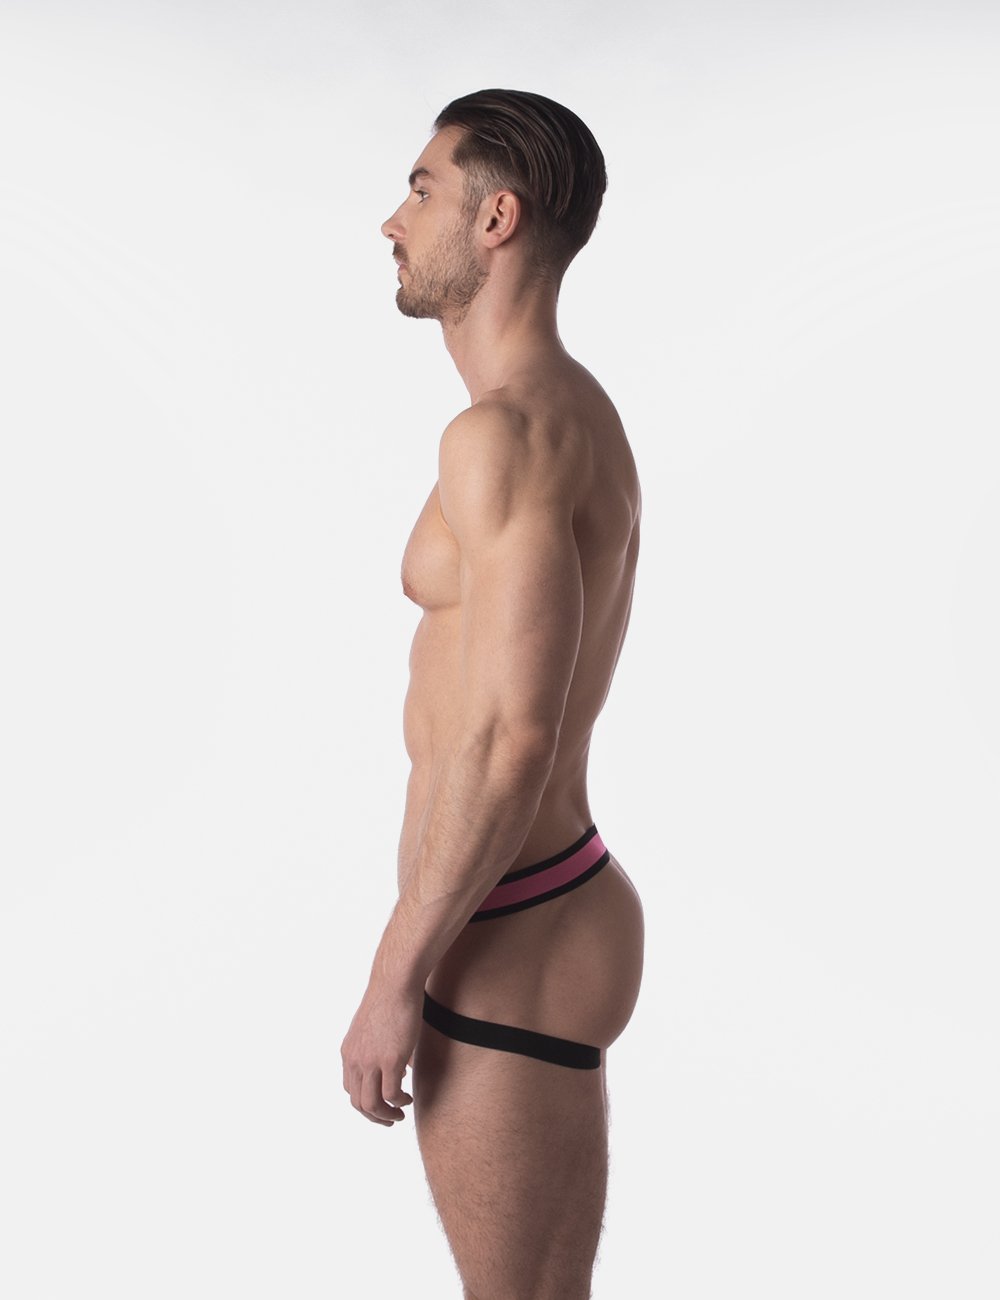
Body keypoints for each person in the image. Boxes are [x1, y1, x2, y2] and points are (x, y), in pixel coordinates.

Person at [340, 88, 645, 1299]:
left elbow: (514, 734)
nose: (392, 220)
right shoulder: (565, 413)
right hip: (530, 907)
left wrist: (393, 975)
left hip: (508, 924)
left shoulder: (504, 436)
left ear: (496, 219)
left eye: (422, 190)